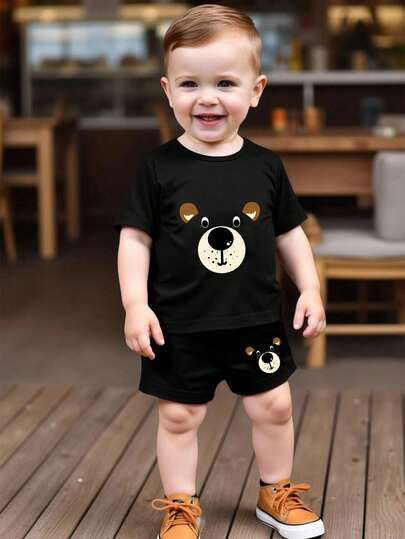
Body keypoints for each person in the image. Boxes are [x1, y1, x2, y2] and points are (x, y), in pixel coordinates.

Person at [114, 4, 326, 539]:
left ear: (256, 91)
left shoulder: (266, 166)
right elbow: (135, 239)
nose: (206, 98)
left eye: (225, 83)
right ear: (168, 91)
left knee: (274, 407)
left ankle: (275, 492)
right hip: (179, 323)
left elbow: (290, 233)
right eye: (190, 84)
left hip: (255, 319)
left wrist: (309, 288)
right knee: (179, 417)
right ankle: (181, 505)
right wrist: (135, 305)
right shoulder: (157, 168)